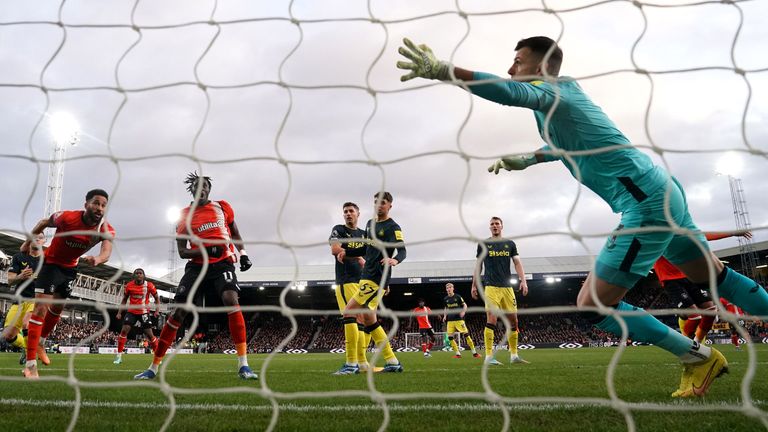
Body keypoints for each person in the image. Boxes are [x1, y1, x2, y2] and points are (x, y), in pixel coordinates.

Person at [396, 36, 768, 397]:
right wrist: (530, 159)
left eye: (518, 61)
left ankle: (698, 357)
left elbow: (509, 94)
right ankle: (703, 352)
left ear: (540, 67)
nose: (510, 68)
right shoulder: (561, 100)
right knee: (712, 276)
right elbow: (563, 144)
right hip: (662, 190)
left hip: (646, 205)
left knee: (592, 304)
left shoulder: (550, 91)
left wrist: (444, 70)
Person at [134, 172, 256, 380]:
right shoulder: (184, 215)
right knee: (179, 312)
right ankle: (153, 367)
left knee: (230, 299)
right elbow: (183, 251)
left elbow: (235, 232)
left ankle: (243, 365)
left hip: (222, 264)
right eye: (197, 187)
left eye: (205, 186)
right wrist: (206, 251)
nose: (202, 189)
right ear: (192, 190)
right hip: (197, 267)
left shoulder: (222, 207)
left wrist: (243, 254)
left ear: (209, 190)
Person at [19, 189, 116, 378]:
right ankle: (30, 365)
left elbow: (107, 250)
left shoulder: (105, 228)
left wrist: (98, 259)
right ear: (86, 204)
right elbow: (42, 223)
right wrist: (26, 243)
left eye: (103, 205)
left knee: (57, 310)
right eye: (96, 203)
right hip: (50, 264)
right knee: (41, 309)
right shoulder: (67, 217)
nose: (99, 208)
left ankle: (41, 343)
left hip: (70, 269)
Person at [336, 191, 406, 374]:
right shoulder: (369, 224)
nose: (379, 205)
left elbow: (402, 250)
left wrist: (395, 260)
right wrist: (348, 252)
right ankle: (392, 361)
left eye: (382, 202)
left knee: (349, 312)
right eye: (376, 202)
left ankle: (351, 365)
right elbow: (366, 247)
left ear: (390, 205)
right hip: (366, 276)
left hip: (377, 278)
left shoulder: (393, 227)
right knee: (370, 320)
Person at [655, 231, 752, 346]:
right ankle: (686, 345)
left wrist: (732, 233)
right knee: (695, 316)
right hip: (671, 280)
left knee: (711, 311)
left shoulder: (680, 233)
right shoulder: (654, 238)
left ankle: (696, 343)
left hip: (689, 275)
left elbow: (704, 235)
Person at [471, 217, 529, 365]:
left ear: (502, 226)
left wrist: (523, 280)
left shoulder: (510, 244)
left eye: (497, 224)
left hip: (507, 288)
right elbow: (478, 266)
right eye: (492, 224)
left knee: (513, 321)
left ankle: (514, 355)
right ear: (489, 227)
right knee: (492, 318)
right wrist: (474, 285)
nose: (495, 226)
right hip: (491, 287)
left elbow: (517, 262)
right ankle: (489, 357)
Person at [329, 201, 374, 373]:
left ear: (358, 214)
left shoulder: (364, 234)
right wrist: (358, 257)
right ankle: (355, 362)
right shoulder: (339, 230)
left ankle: (358, 363)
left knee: (363, 320)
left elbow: (373, 256)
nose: (348, 214)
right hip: (346, 280)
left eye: (351, 211)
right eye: (345, 211)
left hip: (364, 281)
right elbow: (335, 249)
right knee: (354, 318)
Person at [2, 233, 45, 365]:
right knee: (8, 336)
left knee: (27, 324)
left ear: (44, 241)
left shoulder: (47, 260)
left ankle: (30, 359)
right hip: (19, 301)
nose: (37, 239)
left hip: (36, 300)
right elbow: (9, 280)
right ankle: (27, 348)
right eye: (34, 237)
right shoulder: (18, 257)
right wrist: (20, 276)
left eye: (40, 237)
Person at [113, 268, 160, 365]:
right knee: (124, 330)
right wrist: (119, 312)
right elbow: (124, 300)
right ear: (134, 275)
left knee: (150, 335)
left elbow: (156, 298)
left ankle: (157, 357)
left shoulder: (149, 285)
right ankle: (119, 356)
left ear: (143, 275)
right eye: (137, 273)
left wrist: (157, 310)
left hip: (144, 312)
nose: (138, 275)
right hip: (132, 312)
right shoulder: (129, 285)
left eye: (140, 273)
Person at [442, 282, 479, 358]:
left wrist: (463, 311)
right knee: (450, 338)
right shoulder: (446, 299)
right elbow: (446, 308)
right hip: (450, 321)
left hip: (459, 320)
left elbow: (465, 305)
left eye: (450, 288)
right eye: (447, 288)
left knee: (466, 335)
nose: (448, 289)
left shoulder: (457, 297)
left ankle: (474, 353)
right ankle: (458, 354)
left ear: (453, 288)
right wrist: (445, 316)